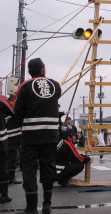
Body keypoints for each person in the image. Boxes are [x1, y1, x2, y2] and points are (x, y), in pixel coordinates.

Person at [14, 58, 61, 214]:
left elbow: (17, 111)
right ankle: (47, 204)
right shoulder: (55, 85)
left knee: (29, 169)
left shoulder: (25, 86)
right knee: (48, 167)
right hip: (51, 134)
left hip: (31, 135)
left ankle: (31, 207)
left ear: (29, 71)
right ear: (43, 70)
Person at [2, 95, 22, 185]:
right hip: (11, 136)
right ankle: (11, 177)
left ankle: (11, 176)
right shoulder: (10, 111)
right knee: (11, 158)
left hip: (14, 136)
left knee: (11, 157)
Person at [0, 95, 13, 204]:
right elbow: (12, 111)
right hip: (1, 140)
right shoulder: (1, 99)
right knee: (2, 167)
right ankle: (4, 195)